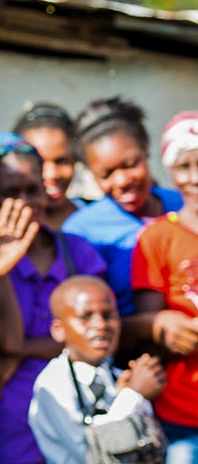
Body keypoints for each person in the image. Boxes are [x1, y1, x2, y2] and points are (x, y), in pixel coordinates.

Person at [0, 132, 106, 464]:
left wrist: (16, 353)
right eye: (13, 192)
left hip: (78, 427)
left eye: (34, 189)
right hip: (10, 430)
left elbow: (98, 337)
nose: (27, 201)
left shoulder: (77, 252)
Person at [30, 275, 163, 464]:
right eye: (86, 316)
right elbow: (93, 454)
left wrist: (133, 396)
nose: (100, 325)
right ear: (58, 329)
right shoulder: (53, 383)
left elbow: (148, 452)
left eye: (108, 315)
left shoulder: (119, 378)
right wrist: (134, 396)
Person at [131, 111, 198, 464]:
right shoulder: (157, 239)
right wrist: (168, 326)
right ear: (170, 170)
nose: (195, 176)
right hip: (180, 413)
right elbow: (149, 324)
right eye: (185, 165)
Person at [63, 97, 182, 320]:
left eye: (130, 165)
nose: (122, 181)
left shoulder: (184, 204)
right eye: (106, 174)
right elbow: (89, 320)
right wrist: (151, 327)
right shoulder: (83, 231)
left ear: (146, 149)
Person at [13, 103, 81, 230]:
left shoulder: (95, 220)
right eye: (39, 162)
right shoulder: (1, 225)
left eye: (61, 161)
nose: (51, 174)